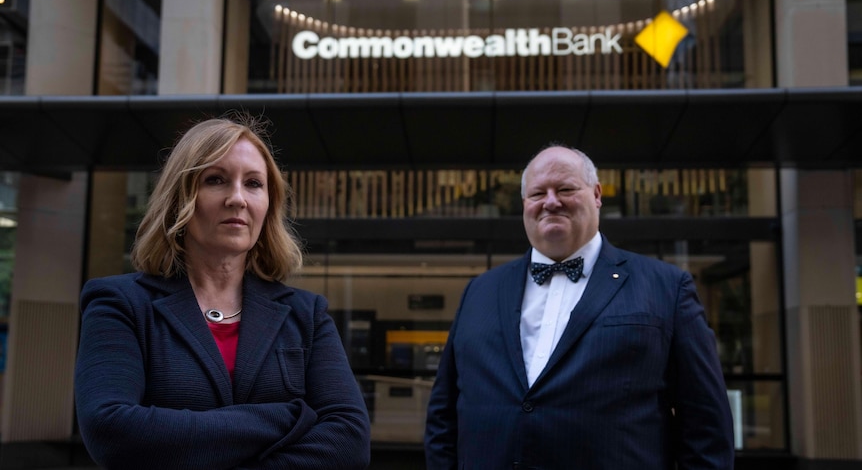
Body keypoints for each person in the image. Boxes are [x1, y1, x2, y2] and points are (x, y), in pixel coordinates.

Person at [74, 114, 371, 470]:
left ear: (268, 204)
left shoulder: (306, 314)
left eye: (254, 184)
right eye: (215, 180)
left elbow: (350, 442)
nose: (237, 199)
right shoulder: (120, 304)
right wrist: (287, 417)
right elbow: (111, 431)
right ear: (180, 196)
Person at [425, 145, 735, 469]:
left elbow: (706, 425)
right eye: (537, 193)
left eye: (565, 189)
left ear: (597, 194)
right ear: (524, 205)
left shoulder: (666, 288)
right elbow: (442, 416)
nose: (550, 201)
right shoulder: (480, 291)